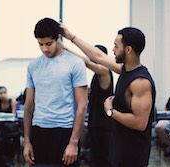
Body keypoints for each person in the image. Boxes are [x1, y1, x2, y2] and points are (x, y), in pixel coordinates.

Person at [60, 25, 156, 167]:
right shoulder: (125, 70)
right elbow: (98, 56)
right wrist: (70, 36)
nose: (113, 50)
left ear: (128, 50)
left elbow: (140, 123)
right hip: (119, 146)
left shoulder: (140, 82)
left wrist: (110, 111)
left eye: (116, 46)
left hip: (132, 154)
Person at [23, 18, 88, 167]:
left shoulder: (75, 63)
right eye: (40, 44)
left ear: (58, 39)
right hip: (39, 131)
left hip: (64, 131)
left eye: (48, 44)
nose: (45, 49)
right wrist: (27, 141)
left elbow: (82, 105)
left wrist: (73, 142)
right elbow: (28, 105)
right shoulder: (33, 66)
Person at [61, 43, 114, 166]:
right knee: (95, 159)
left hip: (103, 126)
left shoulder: (105, 72)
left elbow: (84, 62)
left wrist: (65, 48)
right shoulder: (97, 75)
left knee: (103, 160)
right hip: (95, 124)